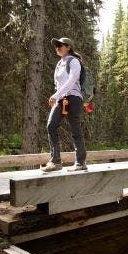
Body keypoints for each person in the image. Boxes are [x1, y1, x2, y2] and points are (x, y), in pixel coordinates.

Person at [41, 37, 87, 173]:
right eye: (56, 45)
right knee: (51, 126)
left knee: (75, 130)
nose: (57, 47)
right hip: (62, 99)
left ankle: (80, 162)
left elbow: (72, 80)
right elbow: (60, 84)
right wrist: (57, 96)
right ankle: (55, 162)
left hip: (73, 98)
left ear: (68, 47)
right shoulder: (60, 63)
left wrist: (55, 95)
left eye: (60, 45)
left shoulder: (74, 61)